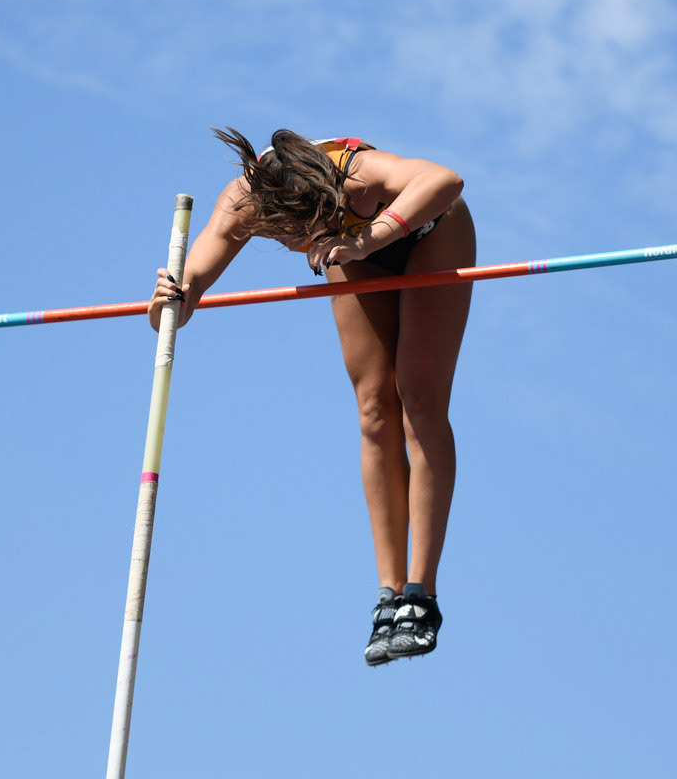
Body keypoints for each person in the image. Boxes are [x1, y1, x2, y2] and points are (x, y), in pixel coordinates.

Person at [149, 129, 475, 665]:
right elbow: (182, 301)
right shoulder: (243, 201)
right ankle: (388, 596)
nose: (292, 247)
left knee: (419, 401)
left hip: (425, 231)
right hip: (354, 247)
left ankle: (423, 594)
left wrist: (366, 239)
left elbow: (445, 180)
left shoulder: (359, 173)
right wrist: (168, 299)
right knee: (374, 410)